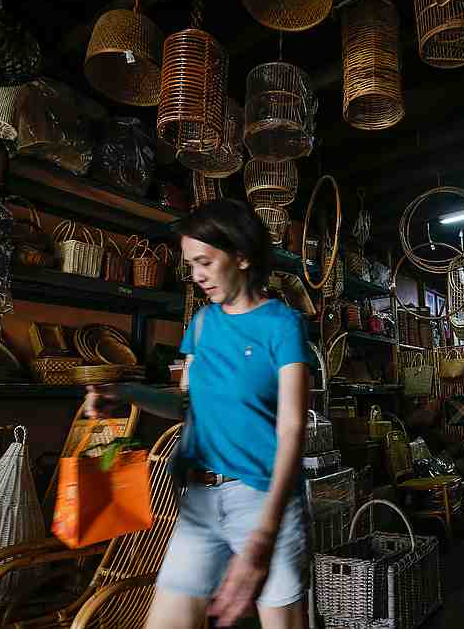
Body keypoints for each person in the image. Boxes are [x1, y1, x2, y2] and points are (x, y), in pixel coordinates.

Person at [84, 199, 310, 629]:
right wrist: (126, 392)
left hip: (262, 499)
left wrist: (263, 535)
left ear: (241, 256)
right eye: (190, 265)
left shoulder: (283, 324)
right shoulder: (203, 324)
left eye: (205, 262)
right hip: (199, 500)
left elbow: (292, 428)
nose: (197, 276)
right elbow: (188, 407)